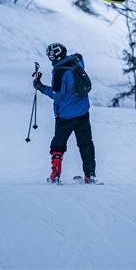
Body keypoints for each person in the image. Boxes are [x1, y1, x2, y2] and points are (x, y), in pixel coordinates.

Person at [33, 42, 97, 184]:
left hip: (65, 116)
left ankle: (55, 174)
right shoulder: (76, 61)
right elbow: (80, 58)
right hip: (83, 112)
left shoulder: (59, 73)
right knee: (86, 143)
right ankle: (90, 175)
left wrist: (41, 87)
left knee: (58, 144)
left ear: (54, 57)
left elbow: (58, 95)